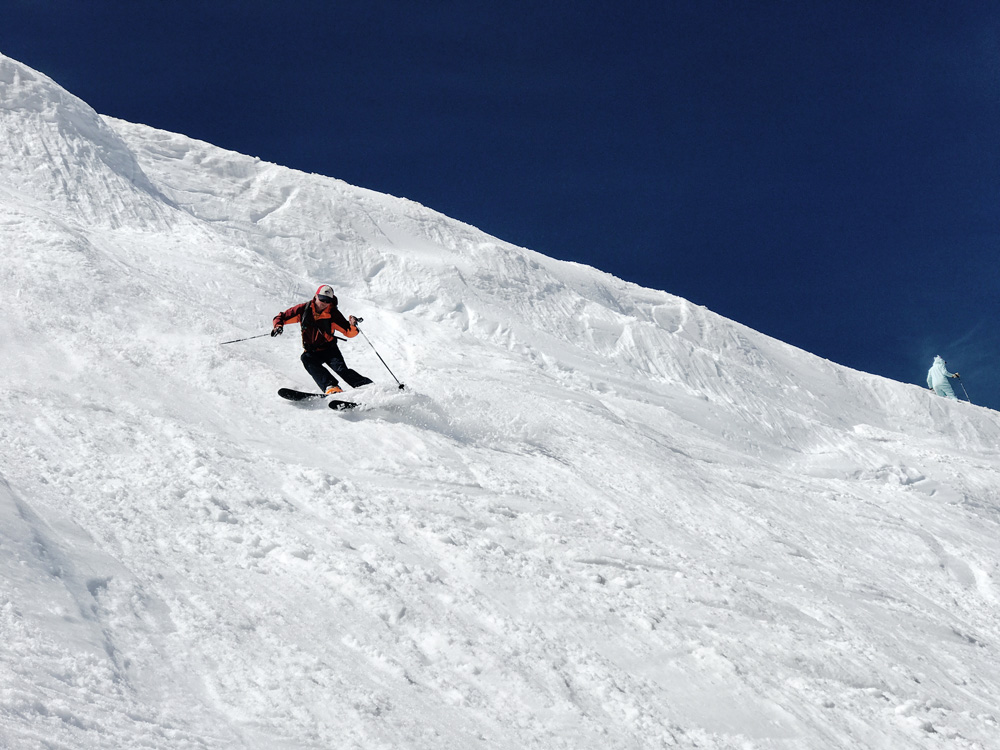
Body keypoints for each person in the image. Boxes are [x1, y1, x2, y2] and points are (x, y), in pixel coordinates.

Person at [272, 285, 373, 394]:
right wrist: (278, 326)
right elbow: (282, 317)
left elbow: (348, 332)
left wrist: (353, 325)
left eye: (327, 301)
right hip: (312, 351)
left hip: (330, 349)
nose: (324, 303)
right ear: (315, 296)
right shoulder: (303, 310)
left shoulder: (333, 313)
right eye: (322, 299)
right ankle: (331, 387)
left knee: (341, 370)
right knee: (306, 359)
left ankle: (367, 387)